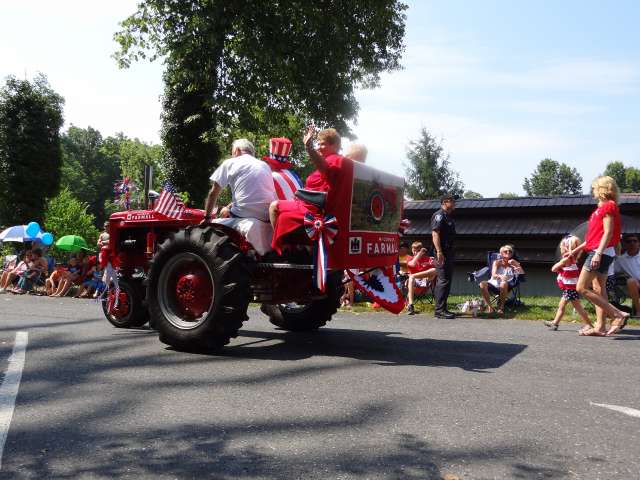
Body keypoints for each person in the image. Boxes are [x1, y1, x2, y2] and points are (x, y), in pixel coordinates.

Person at [269, 127, 346, 252]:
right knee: (280, 210)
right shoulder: (329, 160)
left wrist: (309, 148)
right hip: (307, 203)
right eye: (317, 144)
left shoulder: (334, 160)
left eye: (322, 144)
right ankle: (292, 248)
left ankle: (284, 251)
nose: (318, 147)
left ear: (334, 145)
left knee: (274, 206)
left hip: (313, 208)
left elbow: (325, 168)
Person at [570, 176, 628, 336]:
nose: (593, 190)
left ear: (601, 189)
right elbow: (595, 235)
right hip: (600, 250)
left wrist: (598, 253)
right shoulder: (603, 207)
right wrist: (576, 250)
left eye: (595, 187)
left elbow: (609, 232)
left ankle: (617, 314)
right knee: (598, 288)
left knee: (581, 287)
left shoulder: (608, 206)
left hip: (600, 252)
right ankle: (600, 326)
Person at [203, 138, 276, 222]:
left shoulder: (230, 162)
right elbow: (253, 196)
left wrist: (207, 218)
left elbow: (213, 193)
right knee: (226, 210)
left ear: (237, 150)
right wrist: (228, 207)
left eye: (232, 153)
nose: (232, 156)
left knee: (216, 220)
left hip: (242, 216)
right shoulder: (265, 166)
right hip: (267, 217)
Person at [544, 235, 592, 331]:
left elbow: (553, 269)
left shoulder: (566, 259)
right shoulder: (573, 259)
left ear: (566, 247)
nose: (561, 248)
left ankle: (588, 324)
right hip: (570, 288)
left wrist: (559, 264)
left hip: (570, 289)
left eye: (562, 246)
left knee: (574, 307)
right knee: (565, 306)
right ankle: (555, 323)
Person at [479, 244, 525, 314]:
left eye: (510, 251)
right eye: (505, 251)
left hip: (508, 284)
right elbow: (493, 275)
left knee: (503, 283)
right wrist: (500, 276)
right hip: (494, 282)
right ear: (501, 253)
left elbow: (522, 274)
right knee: (482, 284)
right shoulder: (497, 262)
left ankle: (501, 307)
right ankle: (490, 307)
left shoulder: (513, 262)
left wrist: (516, 264)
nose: (508, 252)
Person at [431, 195, 457, 318]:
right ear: (444, 202)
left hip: (449, 252)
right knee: (443, 281)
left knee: (447, 281)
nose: (454, 203)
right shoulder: (439, 215)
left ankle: (443, 308)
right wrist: (439, 252)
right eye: (452, 201)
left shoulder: (448, 217)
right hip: (442, 253)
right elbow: (435, 234)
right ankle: (439, 310)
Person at [405, 242, 437, 315]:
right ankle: (411, 305)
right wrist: (419, 254)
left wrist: (434, 262)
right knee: (411, 278)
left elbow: (438, 269)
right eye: (414, 250)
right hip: (413, 283)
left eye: (417, 251)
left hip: (425, 281)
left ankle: (413, 276)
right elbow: (412, 264)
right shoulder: (409, 258)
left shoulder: (428, 259)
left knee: (434, 270)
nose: (415, 252)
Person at [614, 233, 640, 316]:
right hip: (635, 284)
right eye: (629, 241)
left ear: (638, 243)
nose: (632, 243)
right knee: (631, 281)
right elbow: (613, 272)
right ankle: (638, 311)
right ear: (624, 244)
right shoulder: (621, 259)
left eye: (634, 241)